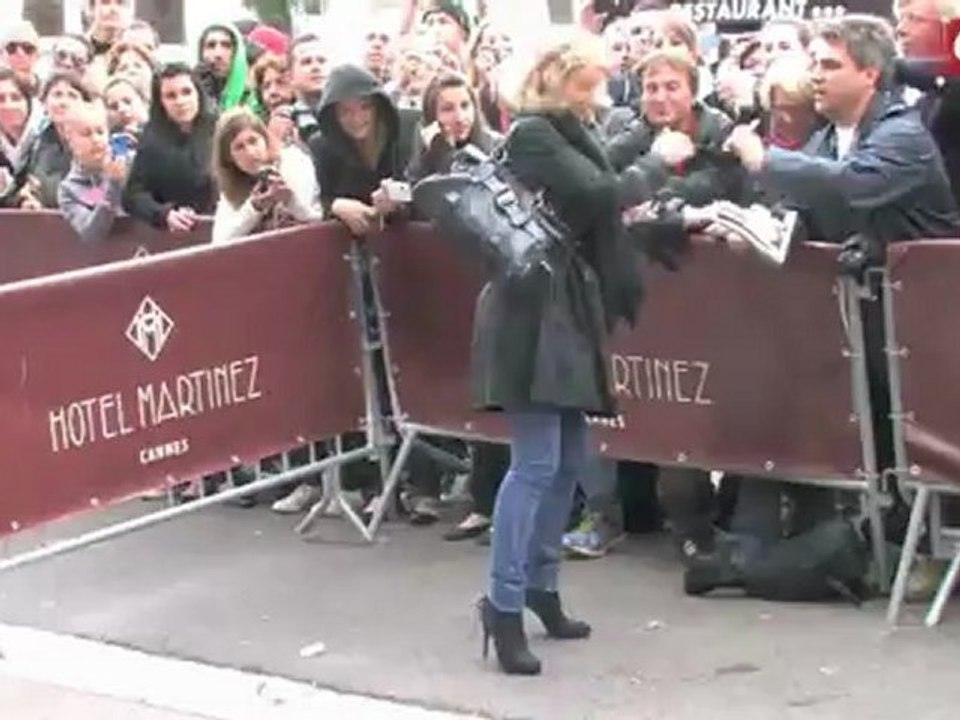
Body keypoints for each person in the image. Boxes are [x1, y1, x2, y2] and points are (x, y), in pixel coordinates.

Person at [473, 30, 699, 676]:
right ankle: (503, 603)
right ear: (555, 76)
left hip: (564, 301)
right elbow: (602, 192)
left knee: (570, 456)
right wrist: (658, 157)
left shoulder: (565, 129)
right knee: (537, 462)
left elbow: (599, 169)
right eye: (588, 82)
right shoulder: (533, 133)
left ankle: (541, 586)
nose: (599, 93)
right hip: (530, 306)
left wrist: (644, 145)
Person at [123, 63, 217, 231]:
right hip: (175, 234)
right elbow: (133, 195)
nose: (180, 101)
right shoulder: (151, 140)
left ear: (198, 94)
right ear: (161, 102)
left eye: (186, 92)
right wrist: (164, 214)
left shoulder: (220, 129)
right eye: (171, 96)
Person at [211, 108, 322, 244]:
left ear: (265, 139)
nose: (250, 152)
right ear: (229, 158)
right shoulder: (233, 185)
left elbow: (312, 218)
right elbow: (220, 240)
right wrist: (254, 207)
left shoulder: (292, 161)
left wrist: (289, 200)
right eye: (239, 147)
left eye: (253, 141)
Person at [58, 101, 130, 243]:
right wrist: (113, 183)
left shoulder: (130, 163)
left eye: (100, 132)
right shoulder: (69, 189)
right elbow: (91, 233)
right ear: (69, 139)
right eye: (86, 134)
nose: (96, 139)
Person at [23, 73, 92, 209]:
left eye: (72, 96)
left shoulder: (96, 139)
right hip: (47, 222)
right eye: (57, 95)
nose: (63, 102)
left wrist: (86, 204)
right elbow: (32, 185)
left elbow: (106, 187)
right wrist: (30, 198)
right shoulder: (37, 143)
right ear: (44, 103)